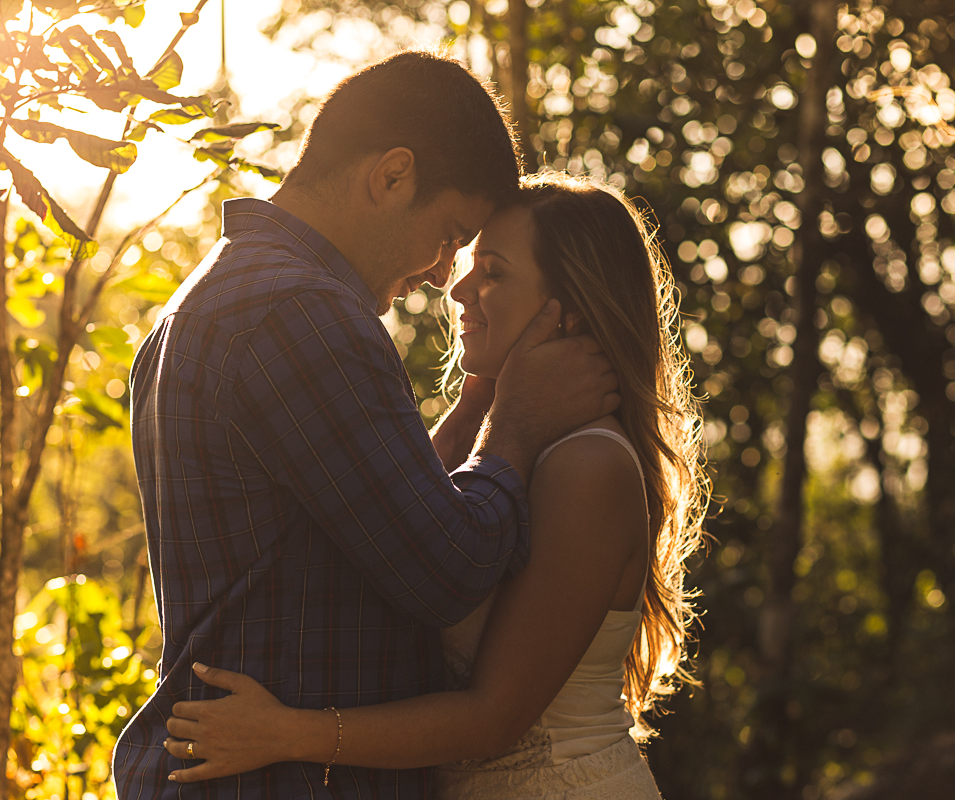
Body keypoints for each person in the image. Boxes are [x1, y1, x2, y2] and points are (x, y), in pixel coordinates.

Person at [112, 52, 621, 799]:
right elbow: (447, 568)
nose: (446, 273)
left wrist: (482, 403)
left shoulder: (217, 293)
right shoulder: (303, 314)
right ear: (391, 176)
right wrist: (514, 424)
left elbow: (375, 512)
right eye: (450, 234)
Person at [159, 173, 710, 798]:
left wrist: (287, 734)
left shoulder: (588, 467)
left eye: (494, 272)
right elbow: (419, 529)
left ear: (569, 310)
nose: (459, 287)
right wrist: (488, 395)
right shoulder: (512, 443)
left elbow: (494, 718)